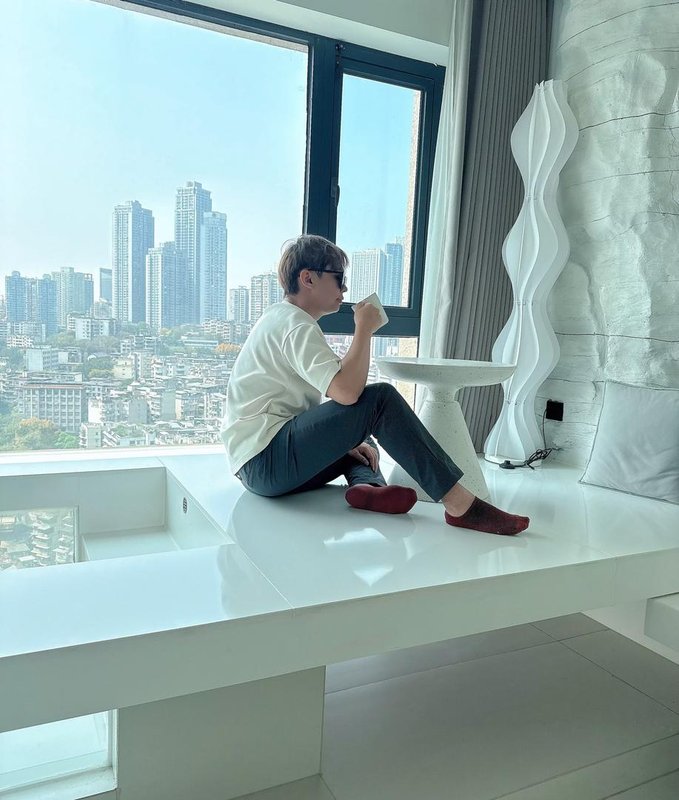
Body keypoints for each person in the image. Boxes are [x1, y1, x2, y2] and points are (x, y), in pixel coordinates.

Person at [221, 234, 529, 536]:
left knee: (362, 439)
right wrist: (364, 329)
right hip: (266, 461)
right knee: (379, 400)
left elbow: (343, 392)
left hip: (259, 467)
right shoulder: (294, 325)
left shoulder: (282, 319)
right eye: (338, 277)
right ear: (308, 278)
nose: (344, 288)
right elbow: (347, 392)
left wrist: (349, 438)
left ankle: (368, 487)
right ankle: (460, 505)